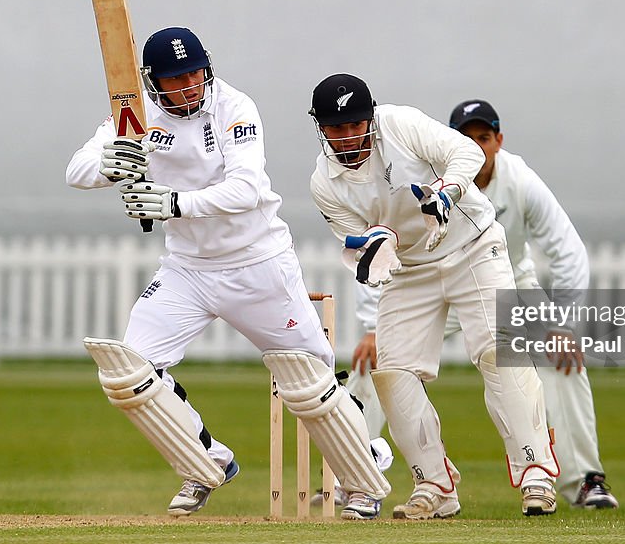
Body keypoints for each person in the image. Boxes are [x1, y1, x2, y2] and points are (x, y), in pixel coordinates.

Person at [66, 28, 390, 519]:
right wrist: (113, 163)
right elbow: (77, 169)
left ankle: (364, 471)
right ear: (154, 81)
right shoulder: (135, 115)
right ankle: (204, 463)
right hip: (187, 270)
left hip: (257, 262)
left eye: (195, 73)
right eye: (176, 79)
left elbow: (246, 188)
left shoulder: (233, 107)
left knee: (309, 381)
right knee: (129, 372)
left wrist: (173, 202)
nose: (190, 85)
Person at [340, 100, 619, 509]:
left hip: (508, 280)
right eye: (467, 138)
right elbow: (381, 247)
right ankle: (358, 480)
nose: (477, 146)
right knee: (374, 363)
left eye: (484, 138)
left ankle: (584, 479)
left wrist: (563, 323)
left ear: (498, 140)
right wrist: (370, 327)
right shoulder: (426, 170)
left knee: (560, 357)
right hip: (427, 277)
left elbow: (568, 250)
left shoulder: (520, 180)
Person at [308, 73, 560, 519]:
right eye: (336, 128)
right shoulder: (325, 184)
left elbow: (464, 151)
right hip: (410, 270)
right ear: (321, 128)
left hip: (473, 246)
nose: (348, 137)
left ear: (370, 118)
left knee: (499, 352)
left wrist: (448, 190)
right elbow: (360, 250)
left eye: (355, 125)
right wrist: (377, 243)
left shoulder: (400, 124)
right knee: (393, 372)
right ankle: (435, 485)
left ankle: (536, 472)